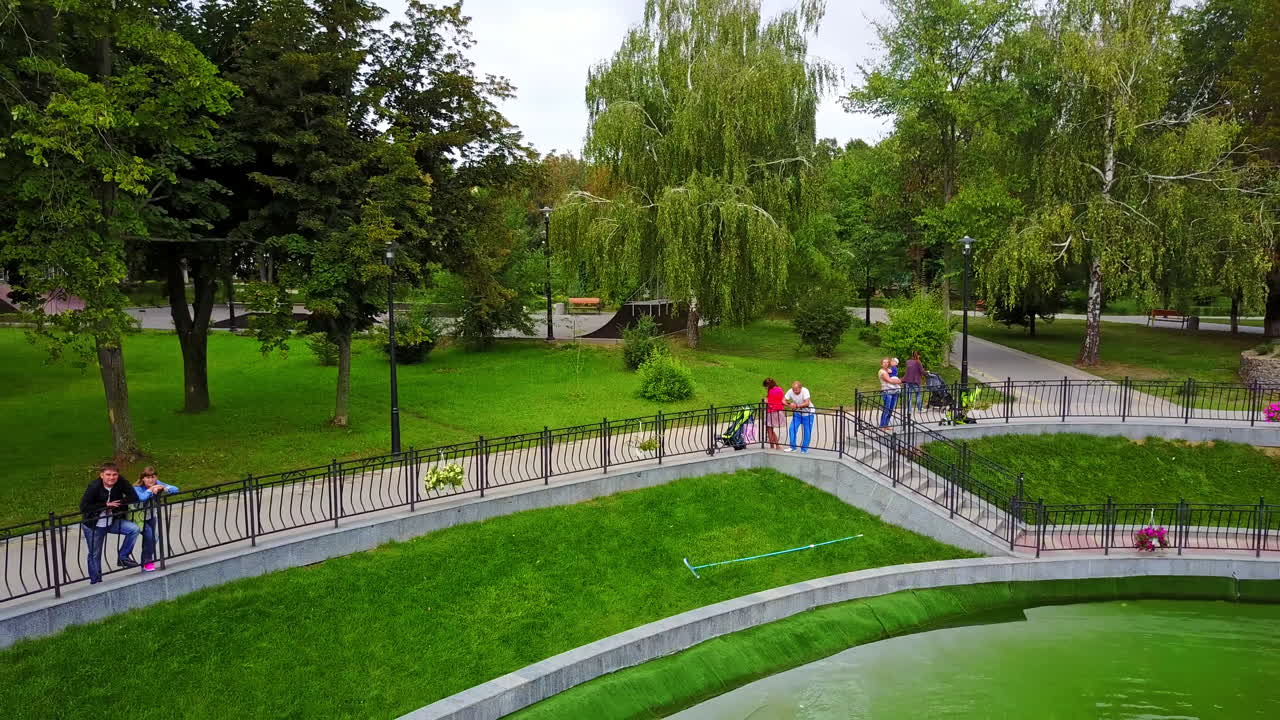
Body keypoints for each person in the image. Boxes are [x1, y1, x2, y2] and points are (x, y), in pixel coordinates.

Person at [78, 463, 142, 583]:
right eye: (108, 475)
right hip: (94, 526)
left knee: (134, 529)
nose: (111, 478)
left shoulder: (120, 482)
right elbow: (84, 507)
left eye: (114, 475)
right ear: (101, 475)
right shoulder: (94, 486)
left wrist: (118, 504)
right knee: (95, 554)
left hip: (111, 521)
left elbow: (134, 497)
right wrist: (105, 505)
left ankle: (123, 557)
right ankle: (96, 581)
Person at [133, 467, 179, 572]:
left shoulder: (157, 483)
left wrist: (163, 487)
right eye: (148, 477)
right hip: (138, 518)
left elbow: (175, 489)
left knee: (149, 540)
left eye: (153, 477)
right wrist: (150, 490)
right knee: (153, 537)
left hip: (150, 517)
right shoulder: (136, 488)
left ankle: (144, 563)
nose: (151, 480)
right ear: (142, 478)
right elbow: (141, 498)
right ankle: (148, 562)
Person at [784, 380, 814, 453]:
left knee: (807, 431)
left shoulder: (805, 391)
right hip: (798, 414)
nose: (794, 391)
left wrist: (796, 405)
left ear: (800, 388)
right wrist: (790, 405)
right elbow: (783, 400)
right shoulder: (790, 391)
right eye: (793, 390)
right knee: (792, 429)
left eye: (796, 390)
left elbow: (807, 403)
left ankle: (804, 449)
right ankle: (793, 447)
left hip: (808, 414)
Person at [878, 357, 902, 428]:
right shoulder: (882, 372)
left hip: (894, 391)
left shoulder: (890, 370)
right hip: (886, 392)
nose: (886, 364)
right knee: (887, 408)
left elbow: (894, 376)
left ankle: (886, 425)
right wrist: (901, 381)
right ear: (881, 364)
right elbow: (890, 380)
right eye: (884, 362)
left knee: (891, 409)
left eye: (887, 362)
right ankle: (882, 425)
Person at [762, 378, 785, 450]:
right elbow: (781, 400)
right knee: (771, 429)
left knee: (769, 429)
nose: (765, 388)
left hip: (771, 412)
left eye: (765, 387)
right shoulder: (779, 389)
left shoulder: (771, 391)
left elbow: (770, 403)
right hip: (779, 411)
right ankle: (777, 445)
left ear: (768, 385)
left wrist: (766, 401)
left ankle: (772, 446)